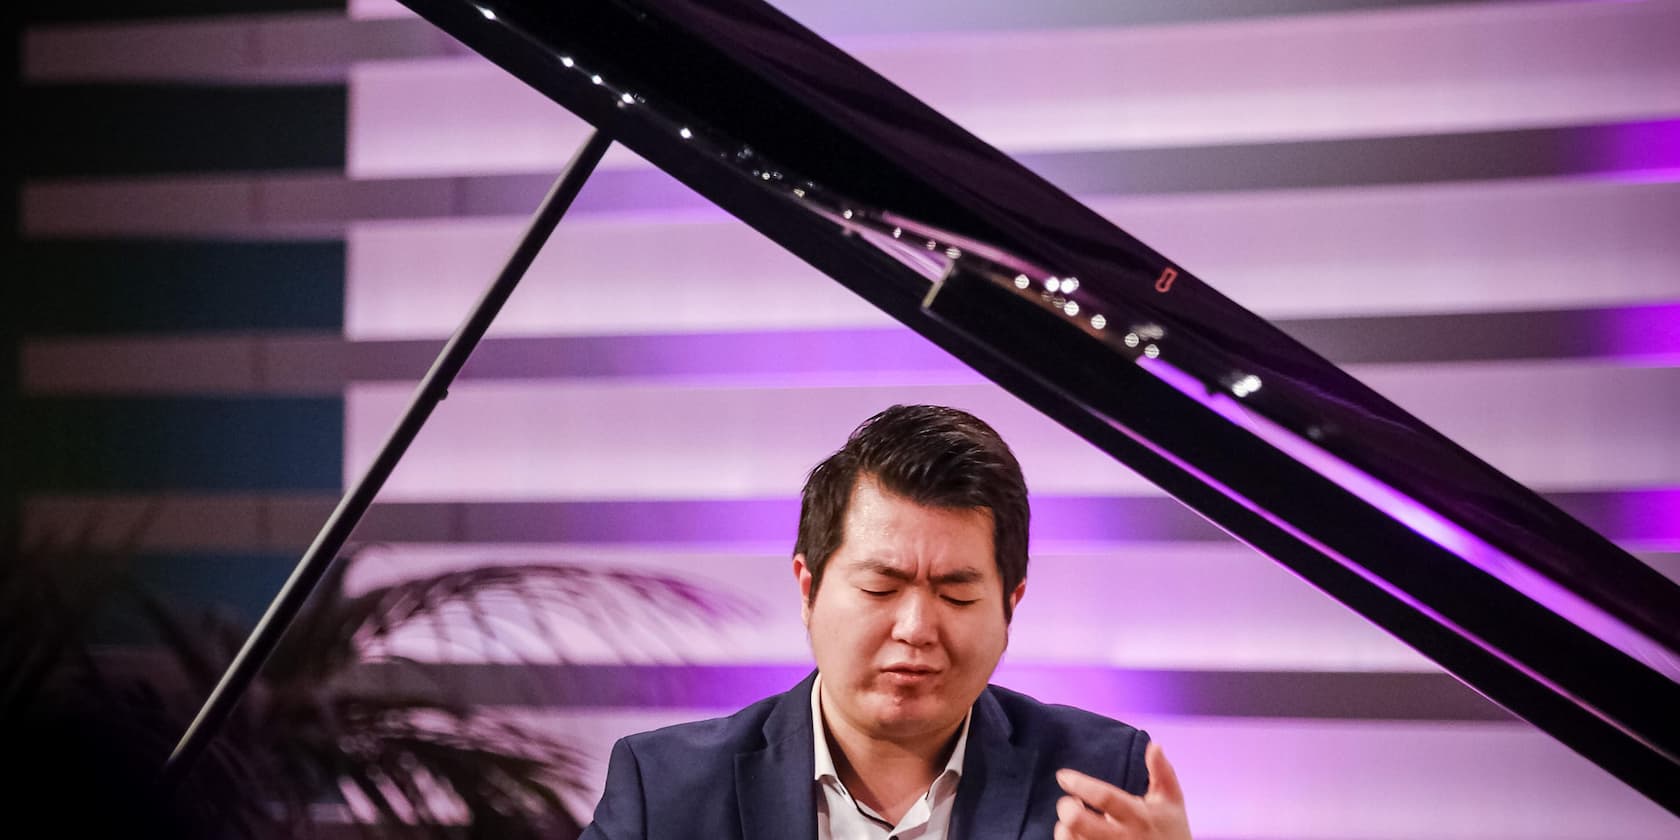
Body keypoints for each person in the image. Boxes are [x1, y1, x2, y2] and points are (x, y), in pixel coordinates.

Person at [580, 405, 1191, 839]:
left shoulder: (1101, 778)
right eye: (881, 586)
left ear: (1012, 606)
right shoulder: (666, 789)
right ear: (808, 588)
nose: (916, 628)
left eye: (956, 595)